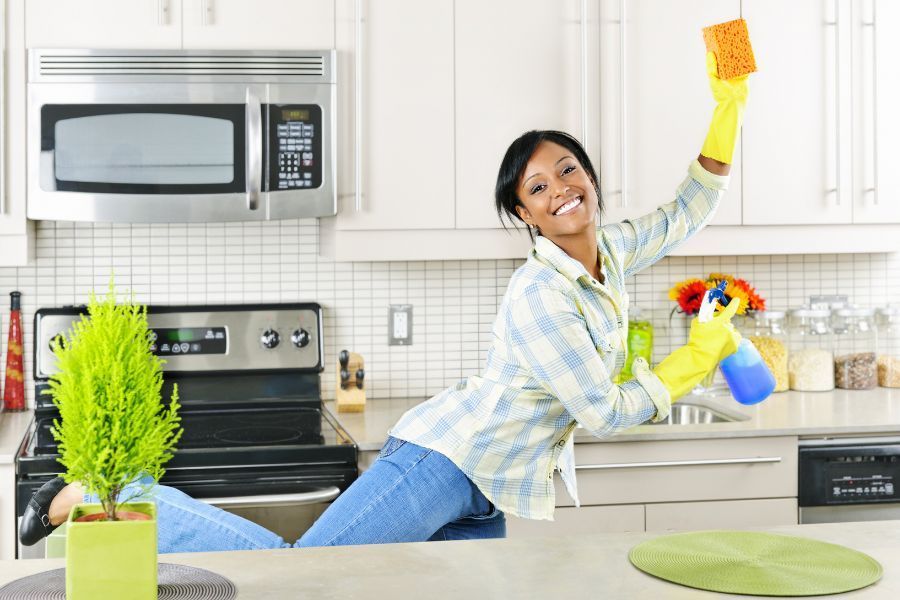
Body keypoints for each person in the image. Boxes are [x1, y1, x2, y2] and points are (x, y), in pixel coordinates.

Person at [21, 52, 749, 552]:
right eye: (537, 186)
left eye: (567, 169)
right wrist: (695, 358)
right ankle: (92, 496)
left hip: (488, 488)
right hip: (442, 462)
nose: (560, 187)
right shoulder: (540, 296)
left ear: (590, 177)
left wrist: (729, 106)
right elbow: (605, 413)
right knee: (310, 575)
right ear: (524, 216)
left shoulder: (613, 251)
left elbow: (692, 204)